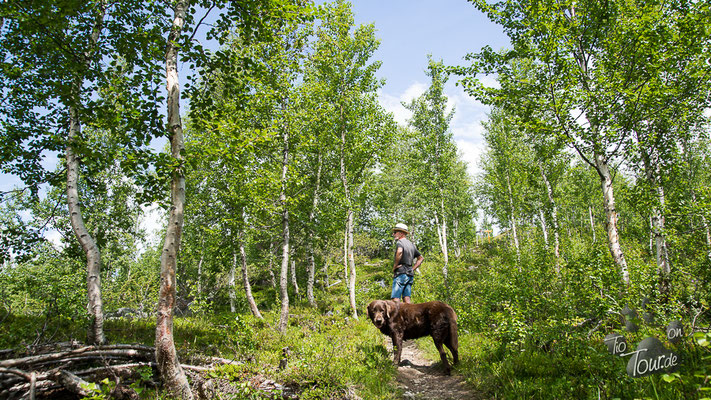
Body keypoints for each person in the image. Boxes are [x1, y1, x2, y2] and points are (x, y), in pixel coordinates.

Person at [390, 223, 424, 304]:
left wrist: (395, 266)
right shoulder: (411, 244)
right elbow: (421, 258)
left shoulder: (400, 242)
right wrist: (412, 269)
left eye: (395, 232)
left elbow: (399, 252)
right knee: (407, 298)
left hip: (401, 272)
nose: (393, 234)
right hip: (409, 274)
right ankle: (409, 316)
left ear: (401, 233)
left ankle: (396, 316)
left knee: (395, 299)